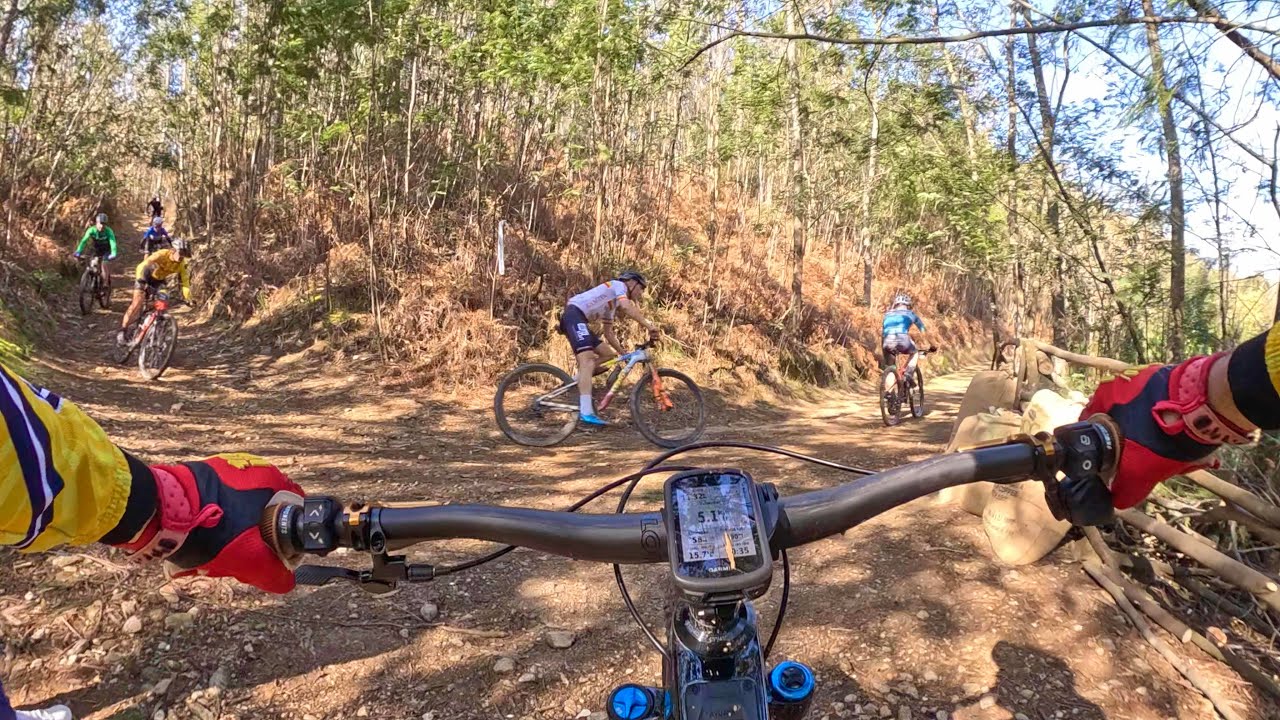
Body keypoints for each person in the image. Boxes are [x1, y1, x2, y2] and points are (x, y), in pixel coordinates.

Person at [2, 323, 1278, 716]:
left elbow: (70, 478)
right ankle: (583, 403)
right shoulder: (599, 302)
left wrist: (201, 515)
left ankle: (596, 397)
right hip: (579, 332)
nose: (898, 344)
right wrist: (1167, 415)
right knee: (589, 368)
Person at [558, 271, 658, 426]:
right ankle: (586, 412)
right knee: (588, 361)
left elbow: (608, 333)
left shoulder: (612, 304)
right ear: (632, 283)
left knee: (608, 356)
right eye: (641, 288)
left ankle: (574, 382)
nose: (641, 293)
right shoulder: (618, 286)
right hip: (574, 315)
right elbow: (626, 307)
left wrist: (625, 354)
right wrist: (649, 326)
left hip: (579, 319)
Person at [118, 239, 191, 346]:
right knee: (137, 303)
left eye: (184, 255)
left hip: (159, 281)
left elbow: (185, 282)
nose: (181, 257)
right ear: (173, 250)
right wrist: (141, 280)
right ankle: (123, 330)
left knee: (163, 303)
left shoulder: (181, 265)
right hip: (145, 275)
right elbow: (143, 265)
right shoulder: (162, 254)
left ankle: (156, 330)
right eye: (180, 253)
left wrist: (188, 298)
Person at [880, 292, 932, 392]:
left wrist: (884, 348)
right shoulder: (911, 314)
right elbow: (923, 330)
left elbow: (884, 333)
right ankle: (908, 374)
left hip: (887, 342)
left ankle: (888, 394)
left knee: (890, 368)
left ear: (895, 304)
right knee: (915, 352)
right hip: (903, 340)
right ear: (908, 305)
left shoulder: (887, 314)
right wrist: (930, 345)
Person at [71, 214, 117, 292]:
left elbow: (113, 243)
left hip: (107, 250)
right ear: (96, 223)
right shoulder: (91, 230)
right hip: (96, 249)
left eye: (104, 224)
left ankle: (105, 283)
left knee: (104, 264)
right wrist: (78, 251)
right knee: (92, 263)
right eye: (100, 223)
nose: (101, 226)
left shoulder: (109, 231)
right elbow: (84, 241)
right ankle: (92, 280)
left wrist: (113, 253)